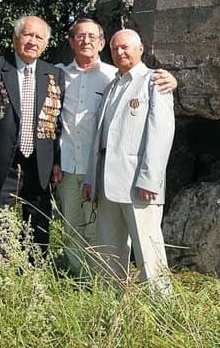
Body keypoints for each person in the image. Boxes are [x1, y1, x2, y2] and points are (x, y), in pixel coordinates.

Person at [0, 18, 177, 277]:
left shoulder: (114, 76)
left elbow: (155, 116)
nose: (86, 41)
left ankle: (103, 279)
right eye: (80, 36)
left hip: (101, 169)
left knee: (101, 231)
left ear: (101, 43)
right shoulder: (56, 74)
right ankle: (81, 280)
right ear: (71, 42)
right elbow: (48, 116)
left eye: (92, 37)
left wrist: (171, 79)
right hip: (66, 167)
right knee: (71, 228)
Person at [82, 29, 175, 293]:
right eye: (114, 49)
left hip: (138, 183)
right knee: (109, 249)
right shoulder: (111, 86)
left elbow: (161, 134)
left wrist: (149, 179)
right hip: (106, 183)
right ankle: (110, 300)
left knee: (148, 250)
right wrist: (90, 178)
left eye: (125, 47)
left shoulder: (154, 81)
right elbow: (98, 140)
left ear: (140, 49)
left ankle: (161, 302)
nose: (120, 52)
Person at [0, 15, 63, 272]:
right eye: (28, 35)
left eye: (39, 37)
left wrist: (56, 161)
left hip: (40, 164)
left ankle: (33, 274)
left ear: (46, 43)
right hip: (2, 162)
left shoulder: (54, 74)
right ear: (15, 37)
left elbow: (57, 123)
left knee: (38, 224)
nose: (33, 41)